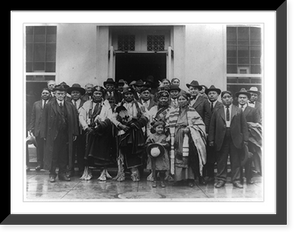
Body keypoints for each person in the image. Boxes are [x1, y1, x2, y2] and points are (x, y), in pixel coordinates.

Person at [208, 91, 249, 189]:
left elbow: (244, 126)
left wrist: (245, 139)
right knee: (221, 160)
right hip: (221, 138)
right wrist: (211, 139)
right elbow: (212, 126)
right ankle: (221, 179)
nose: (227, 99)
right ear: (221, 99)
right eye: (224, 97)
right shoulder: (217, 111)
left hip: (235, 138)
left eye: (229, 97)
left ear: (232, 99)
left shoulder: (238, 110)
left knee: (236, 160)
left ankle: (236, 180)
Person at [167, 90, 207, 187]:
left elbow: (200, 125)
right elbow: (168, 124)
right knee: (178, 157)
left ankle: (190, 179)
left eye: (183, 99)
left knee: (188, 157)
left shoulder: (193, 112)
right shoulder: (173, 112)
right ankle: (179, 178)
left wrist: (189, 129)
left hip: (188, 138)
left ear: (187, 100)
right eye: (179, 99)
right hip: (176, 137)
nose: (181, 101)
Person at [40, 84, 79, 183]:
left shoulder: (70, 106)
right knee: (53, 154)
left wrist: (74, 133)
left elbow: (74, 120)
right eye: (58, 94)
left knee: (64, 155)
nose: (61, 95)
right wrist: (44, 134)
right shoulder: (49, 105)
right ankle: (52, 174)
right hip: (53, 134)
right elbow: (44, 120)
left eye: (62, 94)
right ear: (54, 94)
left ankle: (62, 173)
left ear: (65, 94)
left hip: (66, 134)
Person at [111, 86, 148, 182]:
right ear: (124, 95)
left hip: (135, 132)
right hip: (122, 132)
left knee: (133, 153)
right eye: (126, 94)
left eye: (130, 94)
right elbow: (113, 118)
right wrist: (121, 125)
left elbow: (146, 116)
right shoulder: (118, 106)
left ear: (133, 95)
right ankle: (121, 173)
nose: (128, 96)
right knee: (121, 153)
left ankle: (134, 174)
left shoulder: (139, 105)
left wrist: (135, 124)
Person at [79, 85, 116, 181]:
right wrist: (86, 127)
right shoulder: (87, 104)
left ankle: (103, 173)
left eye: (100, 94)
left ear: (102, 95)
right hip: (90, 130)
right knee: (88, 152)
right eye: (96, 93)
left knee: (102, 153)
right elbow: (81, 116)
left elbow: (110, 117)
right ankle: (88, 173)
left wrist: (101, 125)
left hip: (102, 132)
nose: (98, 95)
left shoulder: (106, 105)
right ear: (92, 94)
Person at [235, 88, 261, 184]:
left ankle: (249, 177)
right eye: (240, 97)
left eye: (244, 98)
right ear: (237, 99)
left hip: (249, 137)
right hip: (237, 137)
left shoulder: (252, 110)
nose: (242, 99)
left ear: (247, 99)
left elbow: (257, 123)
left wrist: (248, 124)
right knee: (238, 157)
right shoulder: (234, 109)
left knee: (248, 157)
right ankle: (240, 177)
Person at [202, 85, 223, 184]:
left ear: (218, 95)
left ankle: (218, 176)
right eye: (209, 93)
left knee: (217, 155)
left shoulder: (221, 106)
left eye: (214, 93)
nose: (211, 95)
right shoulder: (204, 104)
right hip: (205, 133)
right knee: (207, 155)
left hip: (217, 134)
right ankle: (208, 175)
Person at [66, 83, 87, 177]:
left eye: (77, 93)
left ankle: (81, 169)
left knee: (81, 150)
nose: (75, 94)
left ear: (80, 94)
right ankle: (69, 169)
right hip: (70, 130)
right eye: (73, 92)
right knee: (70, 150)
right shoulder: (67, 103)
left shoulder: (85, 103)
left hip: (81, 130)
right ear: (70, 94)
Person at [28, 88, 51, 171]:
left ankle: (47, 164)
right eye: (43, 93)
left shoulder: (52, 103)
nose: (45, 95)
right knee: (39, 147)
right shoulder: (36, 104)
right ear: (41, 94)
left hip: (49, 130)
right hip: (38, 129)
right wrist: (31, 128)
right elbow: (33, 116)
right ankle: (39, 163)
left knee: (48, 147)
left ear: (50, 94)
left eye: (47, 93)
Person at [145, 120, 170, 188]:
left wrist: (163, 144)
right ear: (154, 128)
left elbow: (168, 144)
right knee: (154, 168)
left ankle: (162, 181)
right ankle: (154, 181)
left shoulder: (164, 136)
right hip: (154, 155)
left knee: (162, 169)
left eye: (161, 128)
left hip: (162, 156)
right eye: (158, 127)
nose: (160, 129)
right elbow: (147, 144)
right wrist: (152, 145)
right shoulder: (151, 136)